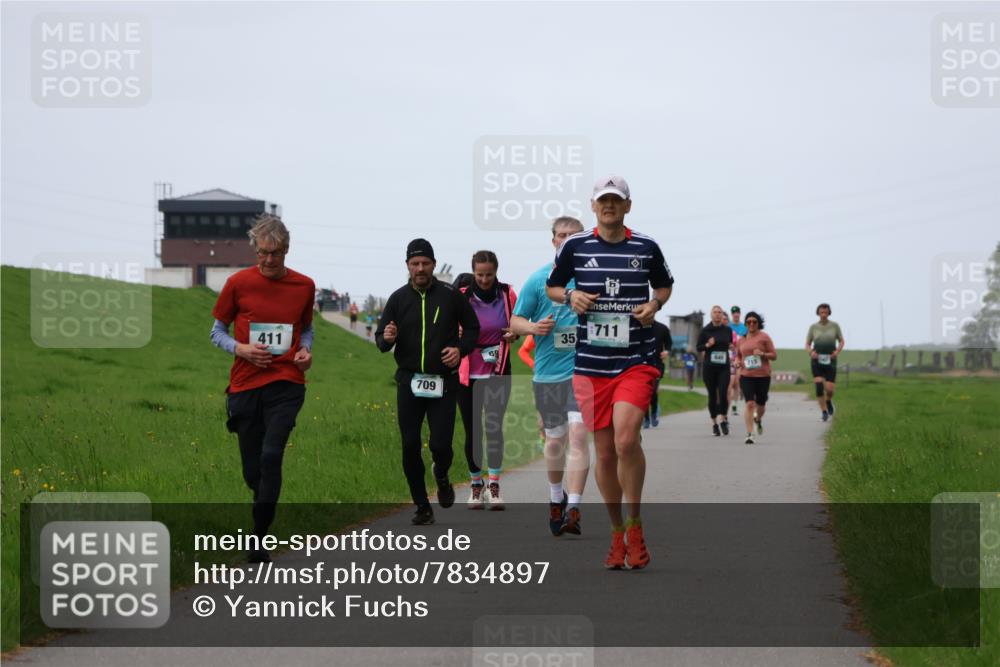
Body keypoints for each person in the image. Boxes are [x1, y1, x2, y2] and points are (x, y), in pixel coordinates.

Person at [546, 176, 674, 570]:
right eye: (603, 200)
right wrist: (571, 295)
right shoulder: (576, 246)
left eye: (616, 201)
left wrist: (654, 304)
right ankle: (617, 532)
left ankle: (635, 527)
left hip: (636, 357)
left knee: (624, 440)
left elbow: (665, 286)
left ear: (628, 206)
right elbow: (554, 287)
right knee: (603, 452)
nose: (609, 206)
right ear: (593, 205)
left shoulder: (646, 246)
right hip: (590, 364)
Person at [210, 215, 314, 563]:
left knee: (272, 456)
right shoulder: (238, 283)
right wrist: (240, 349)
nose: (269, 260)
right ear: (255, 250)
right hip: (244, 386)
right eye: (263, 253)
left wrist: (305, 351)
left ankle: (258, 538)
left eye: (277, 253)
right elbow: (217, 332)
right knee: (253, 470)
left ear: (287, 250)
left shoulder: (304, 285)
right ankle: (263, 501)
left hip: (286, 384)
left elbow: (307, 329)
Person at [375, 239, 480, 525]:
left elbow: (473, 329)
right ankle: (422, 505)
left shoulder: (450, 295)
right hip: (409, 382)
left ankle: (442, 475)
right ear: (407, 266)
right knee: (409, 444)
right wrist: (387, 338)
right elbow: (380, 342)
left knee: (441, 445)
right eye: (414, 264)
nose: (420, 268)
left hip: (443, 382)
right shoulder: (397, 299)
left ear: (434, 264)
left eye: (425, 263)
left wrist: (460, 349)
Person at [511, 216, 592, 537]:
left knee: (578, 435)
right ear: (553, 240)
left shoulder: (592, 276)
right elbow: (515, 322)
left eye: (574, 236)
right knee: (556, 440)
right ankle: (555, 498)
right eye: (562, 235)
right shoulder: (539, 280)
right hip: (548, 375)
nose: (566, 240)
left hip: (584, 373)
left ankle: (574, 506)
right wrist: (533, 328)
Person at [457, 250, 518, 510]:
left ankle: (494, 486)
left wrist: (514, 334)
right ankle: (475, 485)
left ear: (496, 272)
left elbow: (519, 323)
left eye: (489, 274)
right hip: (467, 372)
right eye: (479, 275)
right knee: (473, 431)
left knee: (493, 428)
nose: (484, 279)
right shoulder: (460, 297)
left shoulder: (507, 294)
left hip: (498, 369)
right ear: (473, 272)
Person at [734, 311, 776, 445]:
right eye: (748, 322)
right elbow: (738, 356)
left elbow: (774, 355)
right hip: (746, 375)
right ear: (745, 324)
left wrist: (763, 354)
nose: (751, 324)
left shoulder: (764, 337)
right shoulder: (741, 340)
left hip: (763, 375)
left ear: (758, 323)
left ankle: (758, 419)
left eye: (754, 322)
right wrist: (737, 362)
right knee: (750, 403)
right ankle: (750, 434)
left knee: (761, 405)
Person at [696, 306, 733, 436]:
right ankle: (714, 423)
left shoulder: (727, 330)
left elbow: (730, 344)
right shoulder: (706, 331)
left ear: (722, 315)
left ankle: (723, 419)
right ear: (711, 315)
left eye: (719, 313)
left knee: (723, 393)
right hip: (709, 368)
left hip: (724, 367)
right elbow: (698, 347)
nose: (717, 315)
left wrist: (731, 347)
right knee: (712, 395)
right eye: (715, 312)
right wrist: (707, 345)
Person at [806, 303, 845, 422]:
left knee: (829, 389)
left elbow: (842, 341)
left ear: (829, 313)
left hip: (830, 360)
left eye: (825, 312)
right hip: (816, 360)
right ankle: (824, 412)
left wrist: (837, 352)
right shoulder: (813, 327)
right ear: (818, 313)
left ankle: (828, 401)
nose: (823, 314)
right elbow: (807, 343)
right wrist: (811, 352)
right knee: (818, 387)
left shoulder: (835, 326)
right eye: (821, 312)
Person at [644, 318, 672, 429]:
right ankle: (645, 418)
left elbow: (669, 343)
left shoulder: (662, 328)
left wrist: (667, 351)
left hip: (657, 364)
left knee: (653, 391)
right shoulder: (638, 327)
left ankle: (654, 413)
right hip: (642, 364)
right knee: (644, 392)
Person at [728, 306, 746, 416]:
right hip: (730, 355)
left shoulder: (744, 328)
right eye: (734, 313)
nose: (736, 315)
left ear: (740, 314)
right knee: (731, 381)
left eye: (737, 313)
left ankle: (735, 405)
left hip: (741, 355)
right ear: (732, 314)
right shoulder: (728, 326)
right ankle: (729, 403)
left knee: (737, 382)